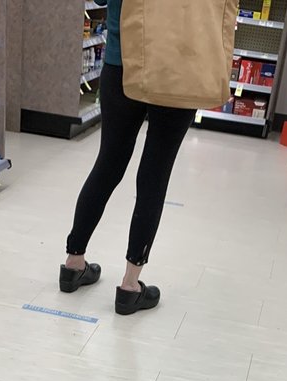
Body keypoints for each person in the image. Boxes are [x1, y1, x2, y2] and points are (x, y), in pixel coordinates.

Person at [60, 0, 198, 315]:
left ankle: (73, 262)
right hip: (176, 66)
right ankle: (130, 285)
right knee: (155, 175)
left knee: (107, 164)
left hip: (121, 64)